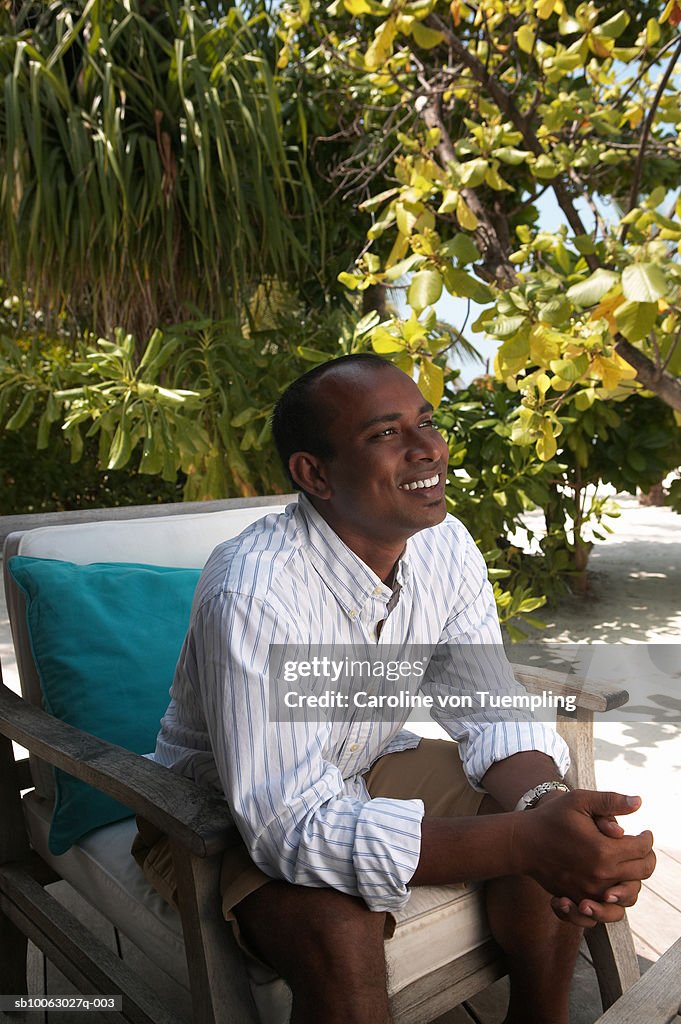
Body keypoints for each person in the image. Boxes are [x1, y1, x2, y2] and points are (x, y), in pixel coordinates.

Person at [134, 353, 655, 1024]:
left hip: (369, 762)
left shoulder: (443, 545)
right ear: (313, 473)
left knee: (555, 810)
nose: (427, 447)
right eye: (385, 433)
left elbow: (487, 707)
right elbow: (286, 825)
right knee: (341, 933)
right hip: (215, 812)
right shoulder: (255, 589)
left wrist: (545, 805)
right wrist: (524, 839)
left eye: (427, 422)